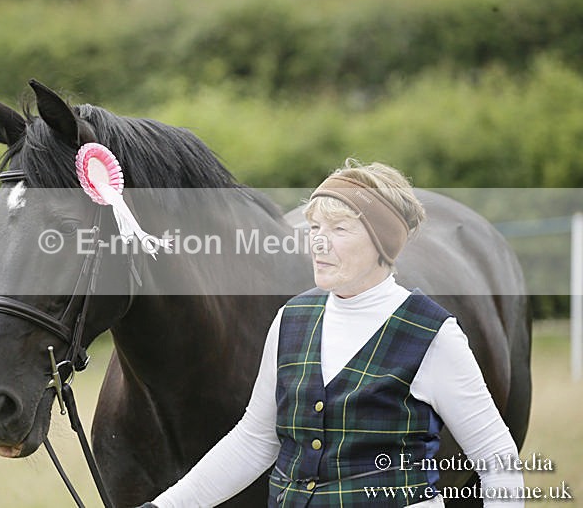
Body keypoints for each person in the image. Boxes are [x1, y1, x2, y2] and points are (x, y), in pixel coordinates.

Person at [140, 160, 524, 507]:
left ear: (382, 243)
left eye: (339, 229)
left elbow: (496, 457)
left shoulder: (433, 336)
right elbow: (254, 440)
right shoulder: (291, 320)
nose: (319, 242)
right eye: (314, 228)